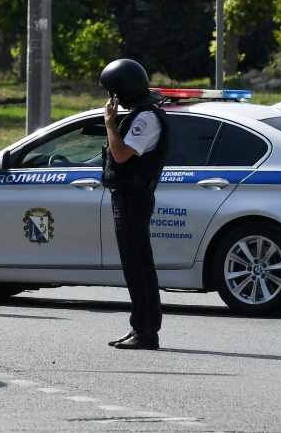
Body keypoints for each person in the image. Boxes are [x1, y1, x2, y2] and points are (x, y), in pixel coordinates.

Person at [99, 58, 171, 350]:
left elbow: (121, 155)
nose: (110, 99)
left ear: (122, 91)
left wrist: (109, 123)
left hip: (133, 196)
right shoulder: (140, 115)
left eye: (112, 92)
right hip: (127, 196)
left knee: (139, 265)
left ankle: (146, 333)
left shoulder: (146, 118)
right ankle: (139, 328)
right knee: (134, 265)